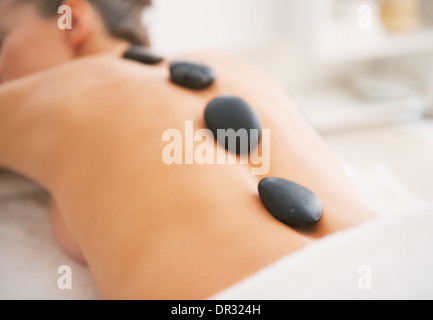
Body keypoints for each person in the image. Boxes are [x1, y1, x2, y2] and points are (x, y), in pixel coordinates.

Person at [0, 0, 377, 299]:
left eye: (2, 36)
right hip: (398, 262)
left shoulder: (62, 92)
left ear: (73, 19)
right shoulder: (236, 67)